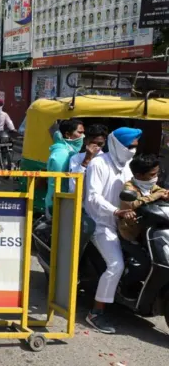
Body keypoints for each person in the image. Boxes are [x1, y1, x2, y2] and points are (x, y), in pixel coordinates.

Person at [84, 127, 142, 334]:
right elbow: (93, 197)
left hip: (124, 223)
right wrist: (115, 211)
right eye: (130, 146)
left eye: (135, 147)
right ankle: (96, 312)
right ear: (117, 145)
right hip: (100, 224)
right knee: (116, 265)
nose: (133, 151)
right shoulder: (99, 163)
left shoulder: (127, 165)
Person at [117, 154, 166, 291]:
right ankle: (125, 285)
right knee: (144, 264)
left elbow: (159, 191)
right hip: (130, 234)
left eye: (157, 173)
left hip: (149, 232)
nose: (156, 176)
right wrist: (155, 196)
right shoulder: (129, 187)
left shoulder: (149, 185)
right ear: (139, 175)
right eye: (152, 174)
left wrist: (164, 194)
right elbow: (131, 204)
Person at [45, 119, 85, 213]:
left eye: (83, 133)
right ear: (67, 135)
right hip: (59, 203)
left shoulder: (69, 151)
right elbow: (60, 182)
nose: (83, 136)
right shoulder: (62, 154)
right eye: (80, 133)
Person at [68, 124, 108, 193]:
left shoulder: (107, 159)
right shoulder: (76, 158)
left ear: (104, 142)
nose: (97, 147)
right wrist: (87, 159)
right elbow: (73, 188)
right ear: (86, 141)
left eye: (100, 144)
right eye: (93, 143)